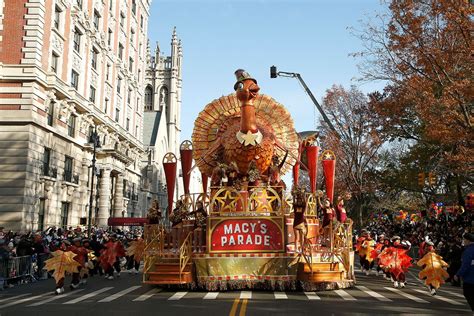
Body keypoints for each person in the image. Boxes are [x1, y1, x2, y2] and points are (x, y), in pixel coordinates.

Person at [454, 233, 474, 311]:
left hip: (470, 278)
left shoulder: (468, 250)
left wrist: (458, 274)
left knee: (468, 294)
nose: (463, 241)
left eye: (464, 240)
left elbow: (466, 264)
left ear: (468, 240)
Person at [292, 186, 307, 253]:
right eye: (298, 200)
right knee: (297, 238)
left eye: (300, 200)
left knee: (302, 238)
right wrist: (294, 195)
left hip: (301, 224)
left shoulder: (303, 207)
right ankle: (296, 249)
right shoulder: (295, 207)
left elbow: (305, 203)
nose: (299, 201)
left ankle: (302, 249)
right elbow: (294, 201)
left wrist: (303, 195)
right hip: (295, 224)